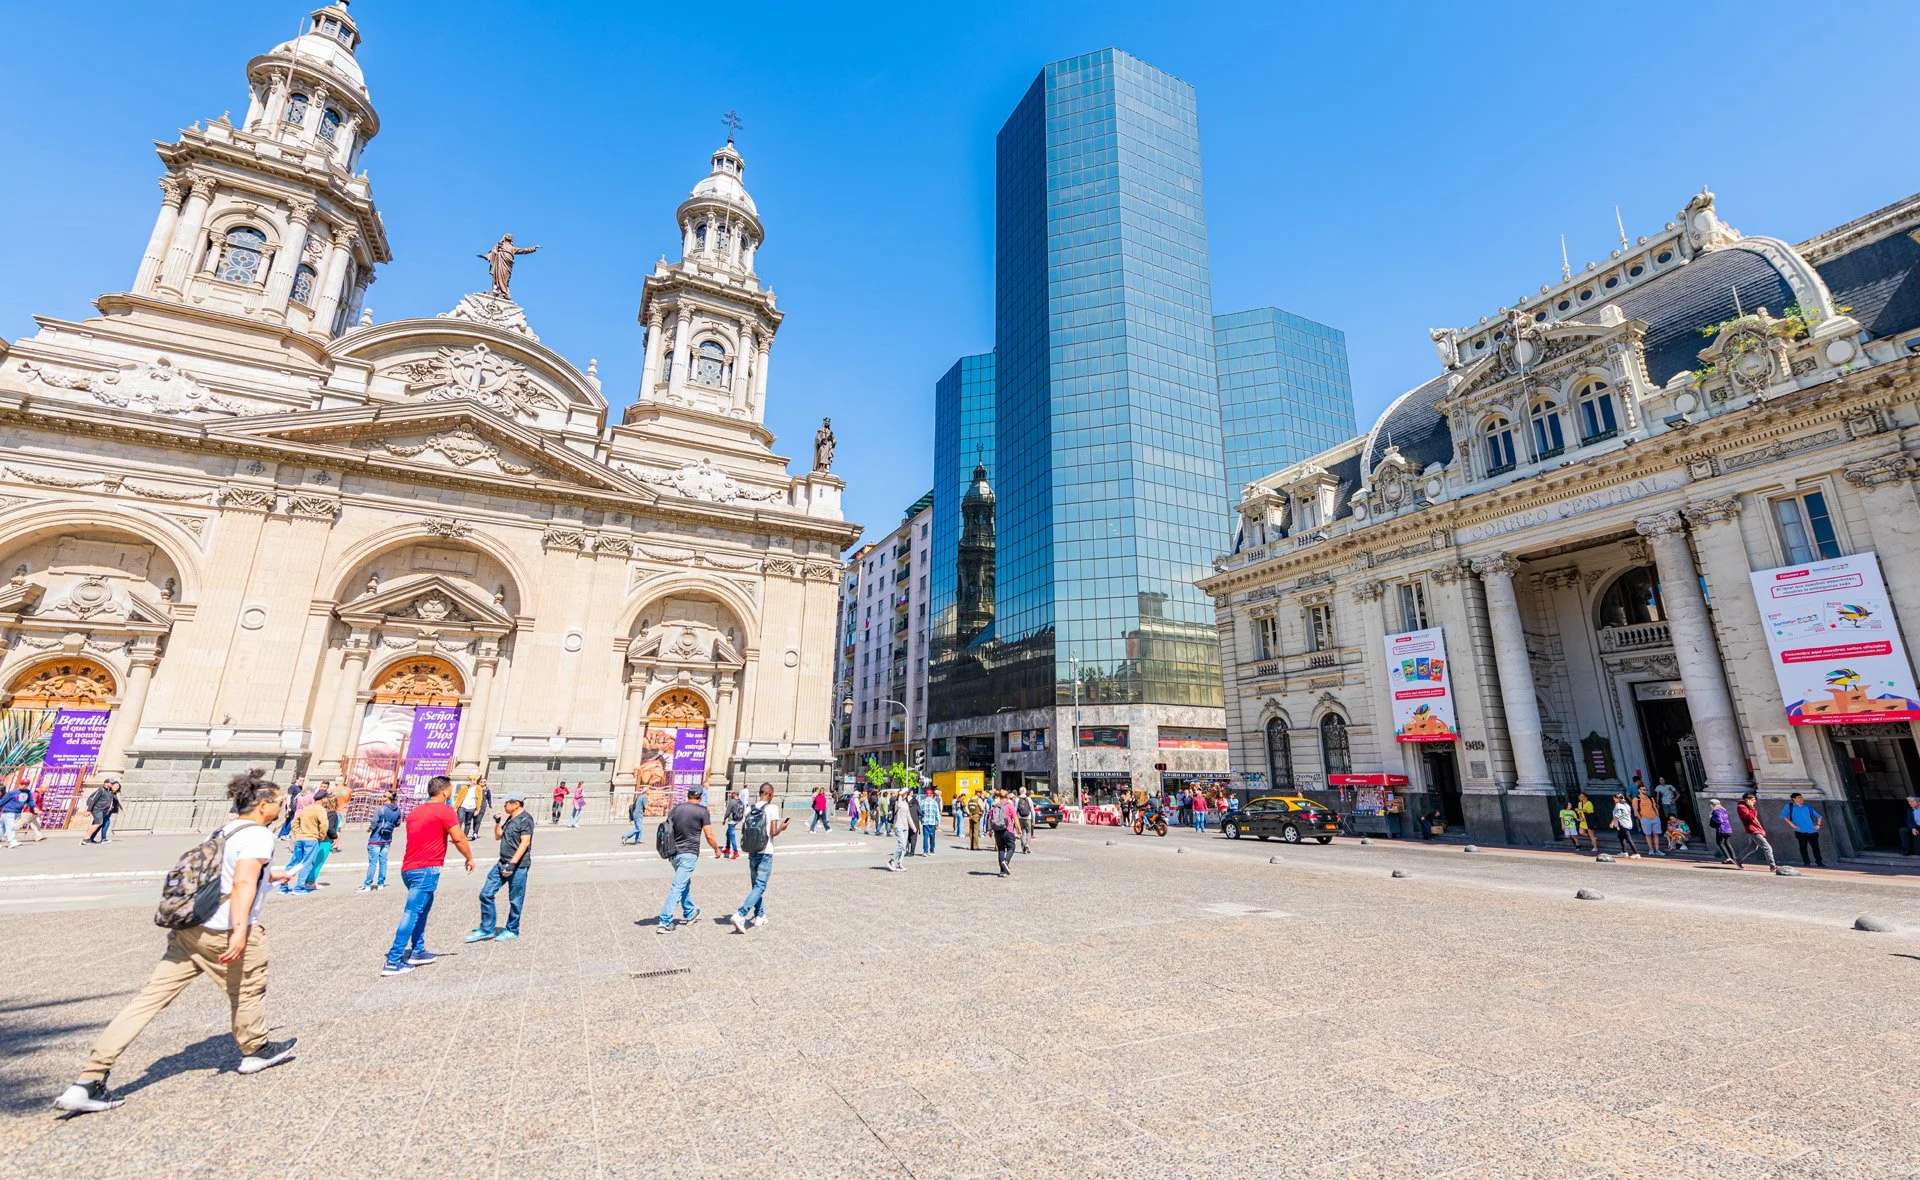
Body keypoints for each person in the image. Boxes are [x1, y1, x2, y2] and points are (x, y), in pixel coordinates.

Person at [53, 771, 299, 1114]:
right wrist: (240, 931)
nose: (283, 805)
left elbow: (226, 873)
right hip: (222, 929)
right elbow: (242, 882)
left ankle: (88, 1081)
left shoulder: (228, 830)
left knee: (147, 1001)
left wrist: (272, 873)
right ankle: (255, 1050)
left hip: (189, 930)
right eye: (279, 801)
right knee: (246, 989)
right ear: (262, 805)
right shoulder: (259, 835)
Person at [383, 776, 473, 977]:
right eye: (450, 790)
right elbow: (458, 837)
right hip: (426, 869)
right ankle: (393, 960)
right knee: (413, 912)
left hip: (409, 868)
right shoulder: (445, 810)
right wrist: (469, 857)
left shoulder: (416, 811)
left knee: (421, 910)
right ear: (445, 792)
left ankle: (417, 950)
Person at [467, 792, 534, 942]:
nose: (504, 805)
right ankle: (487, 928)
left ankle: (512, 929)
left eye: (506, 803)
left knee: (515, 900)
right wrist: (497, 822)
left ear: (516, 803)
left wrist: (512, 863)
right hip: (501, 862)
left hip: (518, 866)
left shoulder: (526, 819)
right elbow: (499, 836)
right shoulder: (511, 818)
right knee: (486, 894)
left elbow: (525, 842)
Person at [656, 784, 722, 932]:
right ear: (700, 796)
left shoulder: (676, 809)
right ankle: (665, 921)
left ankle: (690, 912)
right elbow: (709, 835)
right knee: (678, 886)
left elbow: (667, 829)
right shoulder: (702, 812)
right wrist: (716, 849)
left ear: (688, 795)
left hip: (673, 854)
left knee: (683, 883)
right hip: (689, 854)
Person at [730, 782, 787, 932]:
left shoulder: (749, 808)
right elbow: (773, 832)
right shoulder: (772, 808)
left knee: (757, 886)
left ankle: (760, 915)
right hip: (765, 851)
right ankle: (741, 914)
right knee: (760, 885)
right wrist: (782, 827)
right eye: (772, 794)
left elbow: (743, 827)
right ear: (769, 794)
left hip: (752, 850)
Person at [278, 788, 330, 895]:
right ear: (323, 799)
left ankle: (283, 887)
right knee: (307, 863)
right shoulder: (320, 810)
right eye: (327, 798)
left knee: (293, 862)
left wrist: (297, 834)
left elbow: (294, 823)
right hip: (312, 839)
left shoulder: (306, 809)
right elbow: (324, 825)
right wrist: (320, 836)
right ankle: (299, 888)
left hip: (301, 838)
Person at [360, 791, 401, 891]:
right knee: (383, 861)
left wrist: (370, 829)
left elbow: (374, 822)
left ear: (387, 798)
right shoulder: (397, 810)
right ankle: (381, 883)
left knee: (373, 862)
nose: (382, 797)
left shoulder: (381, 809)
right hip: (387, 838)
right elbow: (398, 823)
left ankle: (368, 884)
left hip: (376, 837)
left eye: (384, 796)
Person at [302, 793, 341, 887]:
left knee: (313, 861)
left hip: (316, 838)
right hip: (326, 840)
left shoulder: (322, 812)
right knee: (318, 863)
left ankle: (307, 880)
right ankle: (310, 882)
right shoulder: (333, 814)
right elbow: (330, 827)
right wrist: (335, 837)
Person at [1779, 793, 1826, 868]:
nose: (1801, 799)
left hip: (1812, 830)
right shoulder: (1790, 807)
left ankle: (1819, 862)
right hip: (1800, 831)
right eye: (1799, 797)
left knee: (1816, 847)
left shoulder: (1807, 807)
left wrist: (1818, 825)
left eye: (1802, 797)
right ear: (1794, 799)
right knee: (1803, 847)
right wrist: (1792, 825)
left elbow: (1819, 816)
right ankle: (1806, 862)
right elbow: (1783, 816)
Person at [1735, 792, 1778, 870]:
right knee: (1767, 847)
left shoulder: (1747, 807)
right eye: (1753, 799)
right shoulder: (1741, 807)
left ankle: (1738, 860)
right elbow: (1750, 818)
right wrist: (1751, 807)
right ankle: (1772, 865)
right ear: (1748, 800)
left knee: (1753, 847)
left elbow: (1755, 819)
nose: (1755, 801)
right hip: (1752, 830)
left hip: (1756, 829)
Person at [81, 777, 122, 844]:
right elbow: (92, 799)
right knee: (98, 823)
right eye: (111, 783)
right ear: (106, 783)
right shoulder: (101, 790)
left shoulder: (108, 791)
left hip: (102, 810)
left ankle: (88, 839)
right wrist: (88, 810)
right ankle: (85, 839)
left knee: (97, 824)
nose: (112, 784)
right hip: (97, 809)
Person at [989, 790, 1017, 877]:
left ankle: (1002, 871)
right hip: (1007, 830)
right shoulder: (1009, 805)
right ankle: (1006, 861)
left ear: (999, 797)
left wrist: (990, 830)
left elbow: (990, 819)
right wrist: (1019, 829)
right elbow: (1015, 818)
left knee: (1001, 850)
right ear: (1007, 797)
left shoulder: (994, 806)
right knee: (1011, 847)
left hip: (997, 830)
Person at [1, 780, 34, 848]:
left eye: (26, 784)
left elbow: (30, 801)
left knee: (2, 827)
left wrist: (34, 807)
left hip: (17, 812)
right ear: (19, 784)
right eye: (22, 784)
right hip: (8, 811)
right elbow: (2, 801)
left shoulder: (28, 792)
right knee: (11, 827)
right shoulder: (12, 792)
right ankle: (11, 842)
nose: (24, 786)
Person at [1708, 799, 1740, 866]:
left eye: (1710, 805)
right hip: (1728, 829)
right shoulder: (1723, 810)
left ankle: (1728, 858)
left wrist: (1712, 817)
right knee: (1727, 843)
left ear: (1712, 805)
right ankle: (1734, 858)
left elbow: (1719, 820)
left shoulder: (1716, 811)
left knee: (1719, 843)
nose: (1710, 806)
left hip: (1721, 830)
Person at [1633, 788, 1664, 857]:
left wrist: (1657, 816)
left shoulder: (1650, 798)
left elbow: (1655, 807)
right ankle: (1651, 849)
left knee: (1656, 834)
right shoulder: (1636, 799)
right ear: (1639, 790)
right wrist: (1641, 818)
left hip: (1654, 818)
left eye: (1646, 789)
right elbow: (1635, 810)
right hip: (1645, 818)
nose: (1645, 791)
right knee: (1648, 835)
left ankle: (1657, 849)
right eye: (1643, 789)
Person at [888, 789, 911, 872]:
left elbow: (908, 816)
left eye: (906, 793)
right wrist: (901, 793)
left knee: (904, 846)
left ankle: (900, 863)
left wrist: (913, 827)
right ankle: (892, 860)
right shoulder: (898, 802)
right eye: (904, 793)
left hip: (905, 827)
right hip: (898, 826)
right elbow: (899, 800)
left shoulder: (906, 803)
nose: (905, 795)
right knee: (901, 844)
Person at [724, 786, 746, 859]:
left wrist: (724, 819)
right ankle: (727, 848)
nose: (730, 796)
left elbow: (728, 811)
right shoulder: (740, 801)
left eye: (731, 794)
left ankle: (735, 852)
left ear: (733, 794)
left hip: (732, 820)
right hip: (737, 819)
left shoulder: (732, 801)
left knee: (732, 836)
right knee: (728, 834)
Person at [919, 787, 940, 855]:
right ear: (931, 795)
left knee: (925, 837)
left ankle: (925, 851)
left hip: (925, 822)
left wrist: (921, 820)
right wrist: (937, 822)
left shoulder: (922, 802)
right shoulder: (934, 802)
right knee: (932, 836)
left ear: (926, 795)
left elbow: (920, 812)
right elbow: (937, 813)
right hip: (932, 822)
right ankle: (932, 850)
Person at [1015, 789, 1034, 853]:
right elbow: (1032, 810)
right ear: (1025, 792)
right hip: (1028, 818)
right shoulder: (1029, 799)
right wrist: (1033, 819)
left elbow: (1015, 810)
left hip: (1020, 818)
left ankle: (1023, 848)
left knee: (1022, 832)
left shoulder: (1017, 799)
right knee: (1028, 832)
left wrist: (1015, 819)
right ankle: (1027, 845)